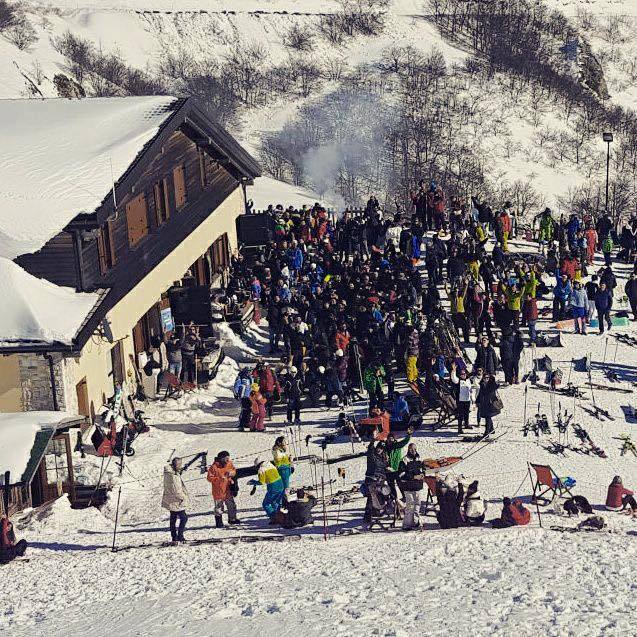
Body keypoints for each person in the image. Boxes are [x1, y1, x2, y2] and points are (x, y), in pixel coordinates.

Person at [162, 457, 190, 544]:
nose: (180, 466)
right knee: (184, 518)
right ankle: (180, 536)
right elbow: (177, 490)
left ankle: (174, 537)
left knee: (173, 519)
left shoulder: (168, 473)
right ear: (175, 465)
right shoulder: (173, 476)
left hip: (170, 499)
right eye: (179, 464)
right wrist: (184, 498)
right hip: (176, 500)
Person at [206, 451, 239, 528]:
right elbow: (209, 478)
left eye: (228, 458)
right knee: (219, 508)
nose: (228, 460)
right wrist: (219, 479)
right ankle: (219, 522)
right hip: (218, 491)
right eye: (226, 458)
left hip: (228, 489)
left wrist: (231, 473)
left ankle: (232, 519)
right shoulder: (213, 467)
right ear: (221, 458)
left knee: (231, 505)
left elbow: (234, 471)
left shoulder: (229, 463)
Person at [397, 442, 425, 530]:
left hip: (418, 486)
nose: (413, 451)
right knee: (410, 506)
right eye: (412, 449)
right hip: (408, 487)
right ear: (408, 450)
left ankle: (415, 522)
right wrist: (413, 476)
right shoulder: (404, 460)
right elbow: (401, 475)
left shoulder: (419, 458)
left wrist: (422, 474)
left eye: (415, 449)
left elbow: (423, 469)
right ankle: (407, 525)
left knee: (417, 505)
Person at [450, 362, 478, 434]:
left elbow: (471, 390)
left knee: (467, 413)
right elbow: (453, 378)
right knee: (460, 415)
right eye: (462, 374)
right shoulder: (458, 381)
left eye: (464, 374)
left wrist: (473, 400)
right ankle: (460, 428)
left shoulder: (468, 381)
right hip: (460, 400)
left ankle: (466, 424)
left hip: (467, 399)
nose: (464, 375)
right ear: (460, 375)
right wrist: (453, 371)